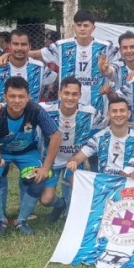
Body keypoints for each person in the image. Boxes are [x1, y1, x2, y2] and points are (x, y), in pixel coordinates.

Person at [0, 77, 61, 235]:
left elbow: (56, 136)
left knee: (38, 178)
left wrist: (45, 168)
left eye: (21, 96)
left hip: (27, 152)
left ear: (28, 97)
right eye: (12, 96)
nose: (17, 100)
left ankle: (22, 220)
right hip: (2, 152)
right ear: (5, 97)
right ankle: (0, 220)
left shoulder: (35, 110)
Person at [39, 77, 108, 222]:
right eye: (66, 93)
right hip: (51, 160)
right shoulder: (45, 109)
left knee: (82, 193)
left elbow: (109, 124)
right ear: (59, 94)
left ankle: (80, 215)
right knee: (46, 199)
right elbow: (22, 106)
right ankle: (61, 204)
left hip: (74, 161)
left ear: (80, 95)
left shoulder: (90, 113)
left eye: (74, 94)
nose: (70, 97)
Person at [27, 9, 119, 113]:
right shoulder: (62, 46)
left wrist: (109, 70)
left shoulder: (106, 47)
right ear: (73, 27)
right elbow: (37, 54)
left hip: (97, 107)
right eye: (79, 25)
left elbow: (126, 57)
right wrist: (11, 54)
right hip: (68, 106)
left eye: (86, 25)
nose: (82, 29)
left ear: (93, 28)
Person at [65, 97, 134, 176]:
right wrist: (74, 161)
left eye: (122, 110)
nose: (118, 114)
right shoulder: (98, 138)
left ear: (128, 114)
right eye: (114, 111)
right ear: (108, 114)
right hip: (105, 188)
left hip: (131, 187)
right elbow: (77, 157)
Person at [0, 27, 55, 104]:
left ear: (30, 46)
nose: (19, 48)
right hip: (2, 115)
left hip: (31, 115)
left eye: (23, 44)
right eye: (15, 44)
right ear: (9, 45)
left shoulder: (39, 67)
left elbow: (59, 80)